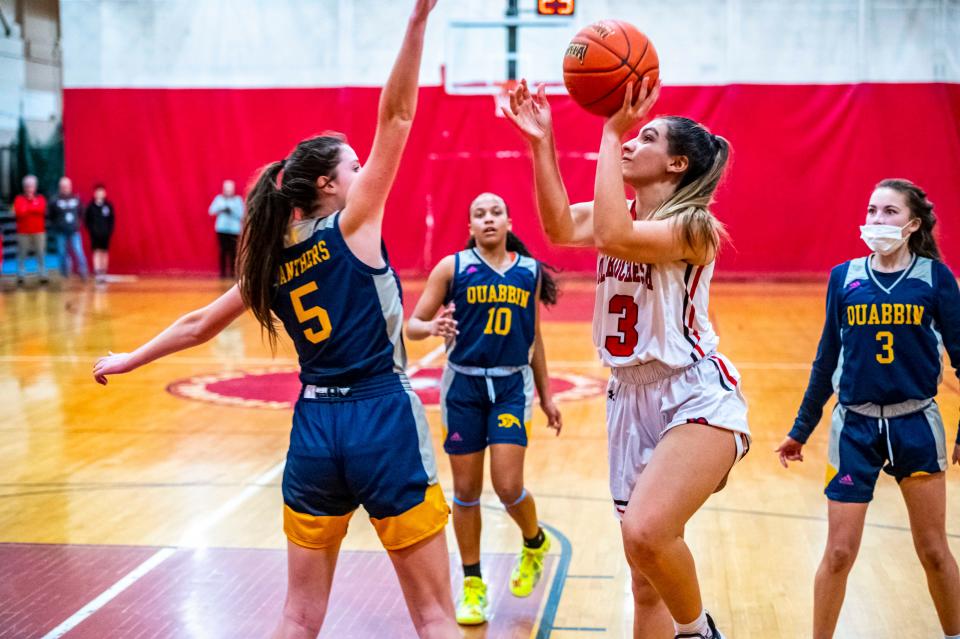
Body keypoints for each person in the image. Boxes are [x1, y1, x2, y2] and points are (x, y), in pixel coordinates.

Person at [92, 2, 458, 637]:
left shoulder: (270, 259)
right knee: (432, 616)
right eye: (353, 165)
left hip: (315, 427)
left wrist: (127, 360)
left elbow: (199, 324)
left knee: (297, 617)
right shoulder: (354, 224)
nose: (363, 170)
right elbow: (397, 116)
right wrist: (417, 22)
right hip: (381, 417)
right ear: (328, 185)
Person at [503, 79, 749, 639]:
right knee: (644, 576)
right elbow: (560, 227)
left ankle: (699, 633)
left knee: (644, 532)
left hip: (693, 391)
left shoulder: (695, 227)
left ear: (677, 164)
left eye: (648, 138)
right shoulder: (626, 213)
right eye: (633, 136)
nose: (635, 143)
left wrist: (612, 131)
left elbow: (612, 234)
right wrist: (541, 143)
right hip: (629, 396)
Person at [776, 179, 960, 639]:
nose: (877, 220)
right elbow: (826, 358)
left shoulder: (936, 279)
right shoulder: (844, 277)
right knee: (838, 553)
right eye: (872, 210)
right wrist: (801, 428)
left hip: (917, 424)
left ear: (913, 224)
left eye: (889, 212)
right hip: (854, 429)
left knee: (935, 550)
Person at [406, 192, 562, 625]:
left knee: (509, 484)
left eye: (496, 212)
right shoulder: (452, 268)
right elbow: (413, 325)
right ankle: (473, 584)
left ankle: (533, 541)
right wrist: (432, 325)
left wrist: (547, 396)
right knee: (467, 491)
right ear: (471, 226)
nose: (489, 219)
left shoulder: (528, 272)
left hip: (512, 385)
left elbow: (535, 340)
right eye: (480, 214)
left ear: (509, 222)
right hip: (464, 388)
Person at [49, 177, 89, 280]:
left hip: (74, 231)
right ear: (60, 187)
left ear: (70, 187)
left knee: (78, 251)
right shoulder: (55, 200)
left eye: (66, 186)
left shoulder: (76, 199)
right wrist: (56, 225)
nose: (65, 188)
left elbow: (82, 212)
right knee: (61, 252)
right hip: (60, 232)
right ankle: (64, 273)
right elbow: (50, 215)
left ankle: (83, 271)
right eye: (63, 186)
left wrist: (78, 223)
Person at [12, 174, 48, 285]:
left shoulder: (41, 198)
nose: (29, 188)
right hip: (23, 232)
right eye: (27, 186)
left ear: (35, 187)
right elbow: (19, 213)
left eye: (31, 186)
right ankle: (21, 275)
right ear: (24, 187)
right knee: (21, 254)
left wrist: (28, 208)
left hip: (39, 231)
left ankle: (42, 274)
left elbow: (42, 210)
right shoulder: (18, 199)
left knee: (41, 254)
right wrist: (32, 208)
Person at [209, 179, 244, 278]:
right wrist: (221, 208)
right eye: (227, 189)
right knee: (223, 251)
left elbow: (242, 214)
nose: (228, 192)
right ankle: (223, 272)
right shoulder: (219, 199)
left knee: (234, 251)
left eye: (230, 190)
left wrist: (232, 210)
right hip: (222, 229)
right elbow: (211, 211)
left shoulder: (237, 200)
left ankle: (233, 272)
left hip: (234, 230)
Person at [85, 184, 115, 283]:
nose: (100, 194)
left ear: (104, 193)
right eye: (98, 192)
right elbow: (87, 220)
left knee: (104, 252)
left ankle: (103, 272)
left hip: (105, 234)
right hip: (95, 234)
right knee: (97, 252)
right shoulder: (91, 206)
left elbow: (112, 220)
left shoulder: (108, 206)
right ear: (95, 193)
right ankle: (97, 272)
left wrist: (109, 231)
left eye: (102, 192)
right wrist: (91, 230)